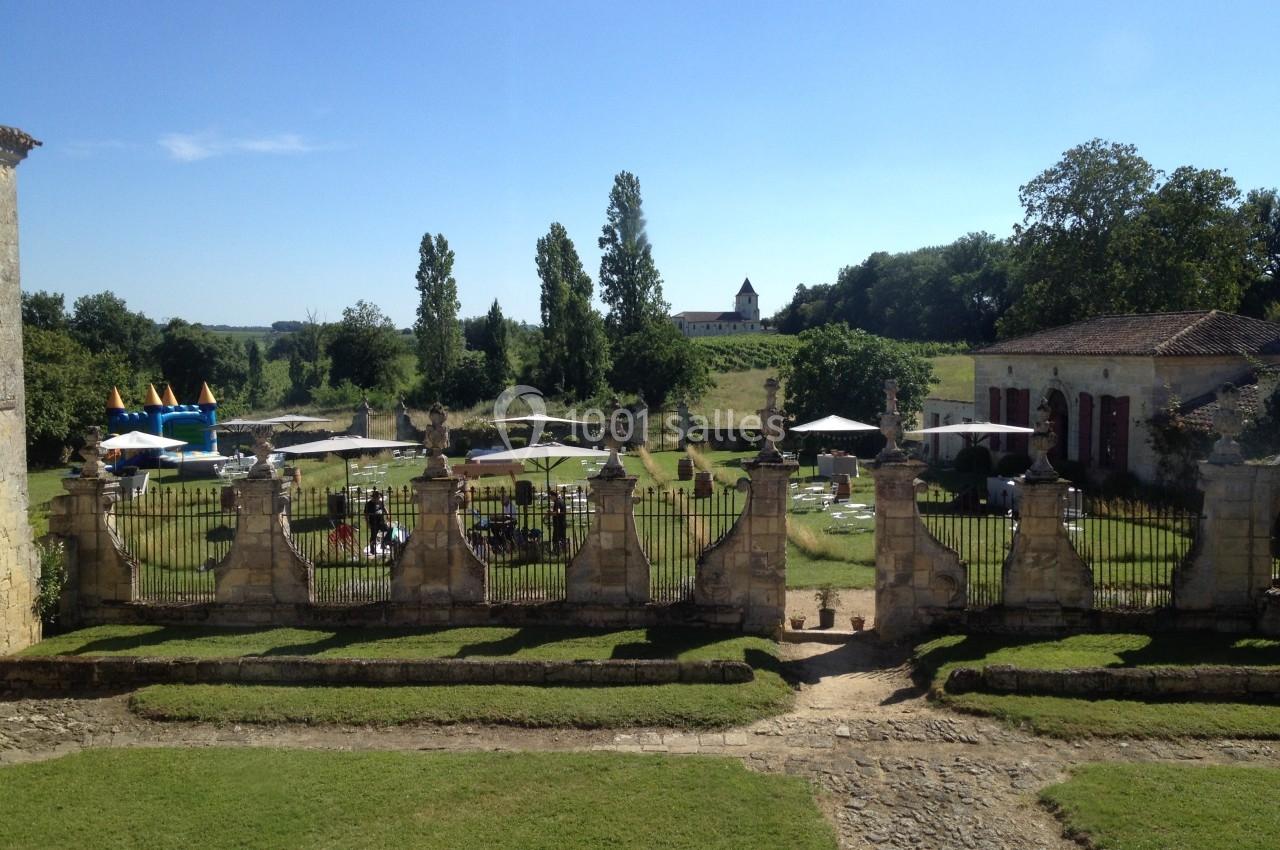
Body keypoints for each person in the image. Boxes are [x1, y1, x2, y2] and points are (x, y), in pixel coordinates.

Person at [363, 490, 391, 555]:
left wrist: (387, 515)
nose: (379, 499)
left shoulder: (380, 502)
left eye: (379, 497)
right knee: (373, 537)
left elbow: (385, 509)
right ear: (374, 497)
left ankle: (383, 543)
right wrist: (368, 523)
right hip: (373, 523)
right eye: (378, 497)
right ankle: (372, 550)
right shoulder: (368, 504)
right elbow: (366, 515)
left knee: (389, 530)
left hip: (381, 521)